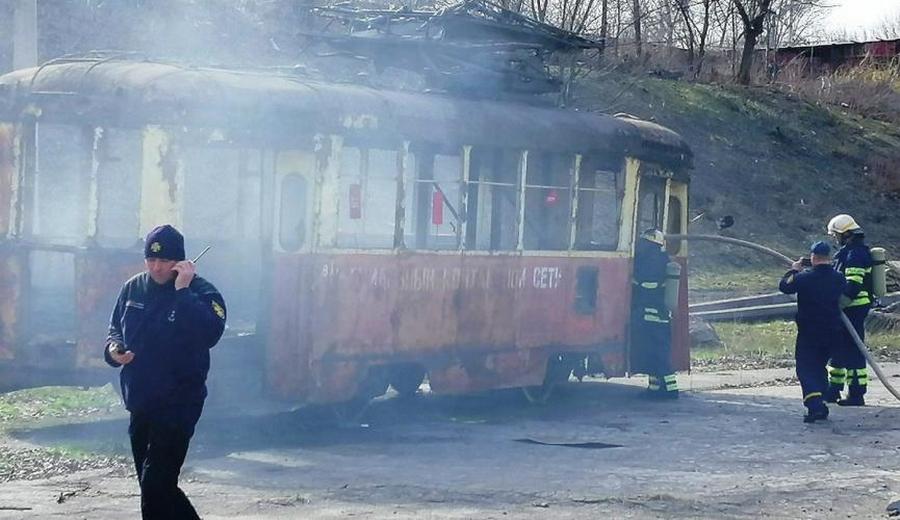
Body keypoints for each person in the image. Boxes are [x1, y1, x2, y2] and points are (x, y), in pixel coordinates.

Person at [105, 224, 226, 519]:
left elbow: (210, 333)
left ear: (180, 262)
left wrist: (182, 292)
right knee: (155, 488)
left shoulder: (202, 292)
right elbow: (114, 331)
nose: (156, 268)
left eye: (164, 261)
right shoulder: (133, 287)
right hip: (141, 401)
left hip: (179, 403)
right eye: (151, 260)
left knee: (155, 483)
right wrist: (113, 352)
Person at [779, 241, 846, 423]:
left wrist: (794, 270)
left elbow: (784, 286)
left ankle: (815, 405)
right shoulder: (839, 278)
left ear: (813, 257)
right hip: (832, 331)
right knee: (819, 367)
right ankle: (821, 400)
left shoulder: (804, 278)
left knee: (806, 368)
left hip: (810, 332)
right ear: (829, 258)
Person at [825, 214, 873, 406]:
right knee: (837, 349)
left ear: (845, 235)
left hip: (853, 309)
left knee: (853, 350)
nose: (835, 239)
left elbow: (853, 284)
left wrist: (840, 303)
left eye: (836, 235)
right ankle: (833, 389)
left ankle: (856, 393)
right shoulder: (848, 252)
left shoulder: (856, 254)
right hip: (845, 310)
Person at [632, 228, 678, 399]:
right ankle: (654, 389)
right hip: (658, 317)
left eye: (643, 242)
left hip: (653, 317)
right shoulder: (661, 259)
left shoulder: (652, 262)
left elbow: (648, 285)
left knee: (658, 357)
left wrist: (634, 282)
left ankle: (670, 391)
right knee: (653, 355)